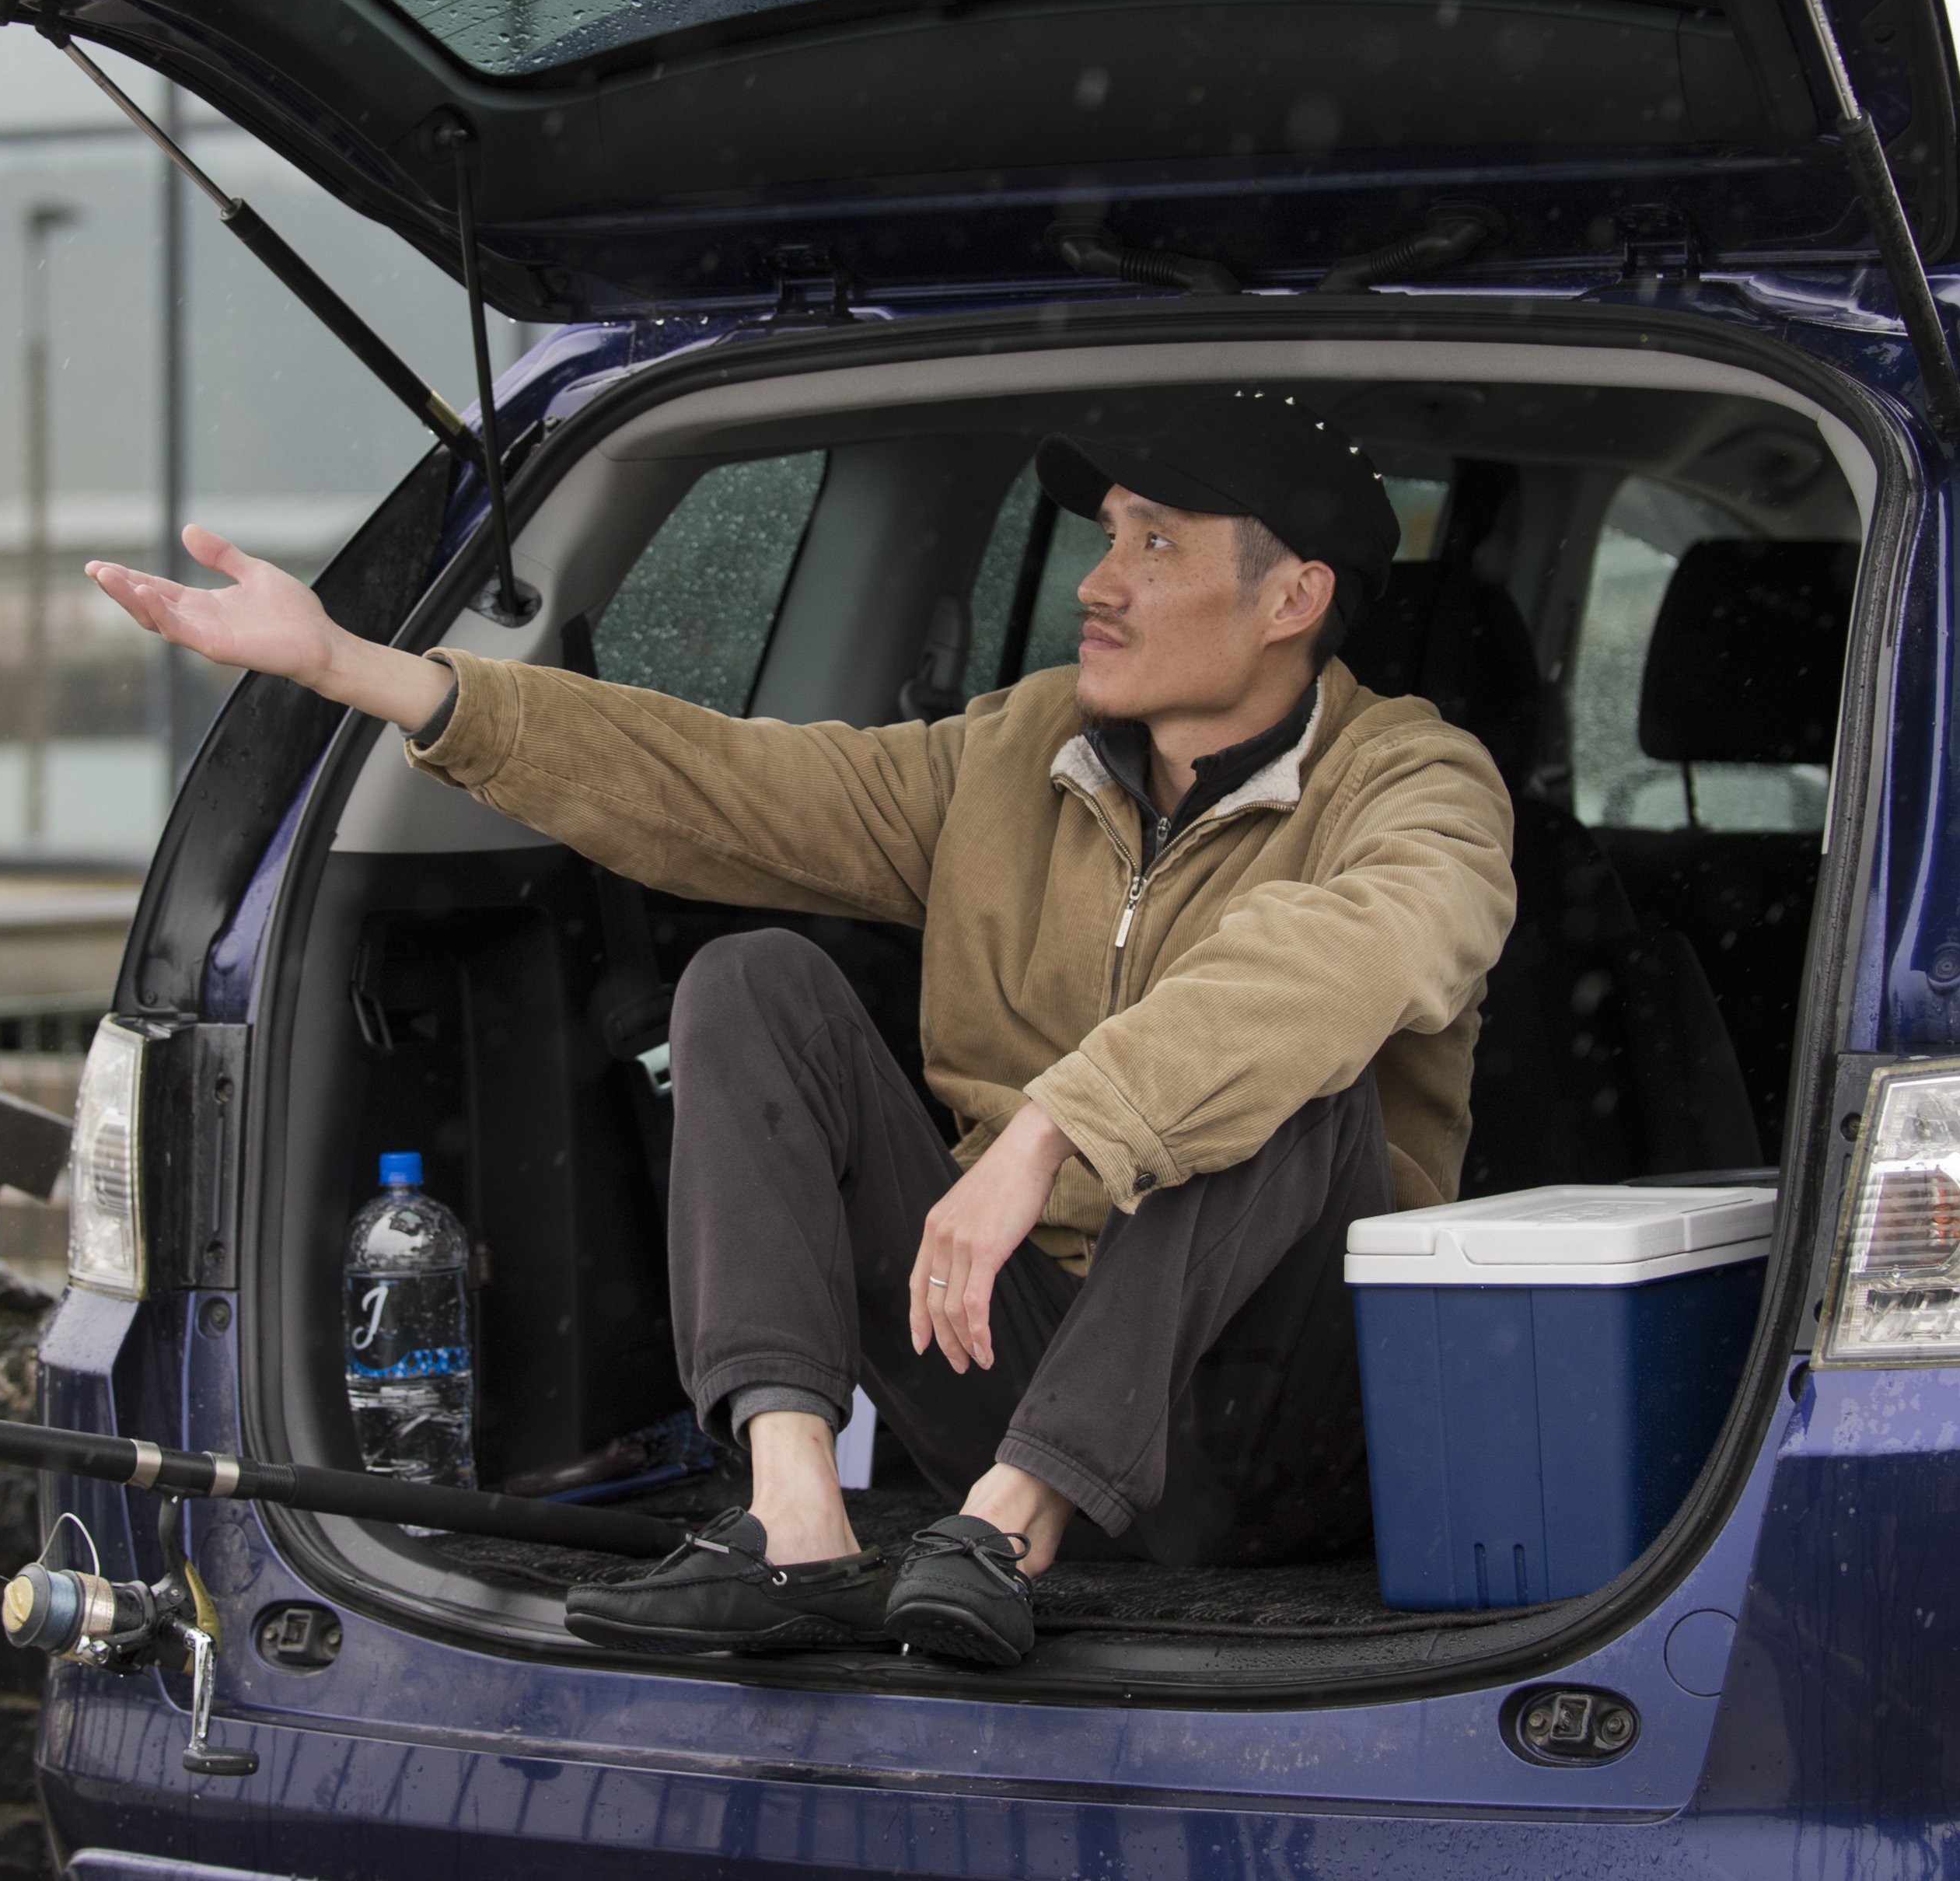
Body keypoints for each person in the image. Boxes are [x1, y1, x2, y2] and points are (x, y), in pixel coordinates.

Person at [88, 390, 1515, 1667]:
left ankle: (1019, 1523)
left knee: (1281, 1081)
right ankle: (795, 1523)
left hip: (1277, 1427)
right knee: (755, 981)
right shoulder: (1018, 752)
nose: (1099, 582)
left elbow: (1353, 949)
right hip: (1006, 1366)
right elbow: (724, 785)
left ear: (1292, 600)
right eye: (1106, 536)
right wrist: (363, 668)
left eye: (1157, 546)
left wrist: (1059, 1128)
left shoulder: (1420, 784)